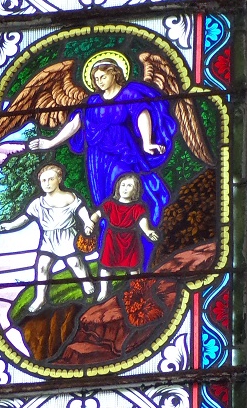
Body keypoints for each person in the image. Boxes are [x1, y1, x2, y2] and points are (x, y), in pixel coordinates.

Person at [27, 54, 177, 262]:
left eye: (103, 76)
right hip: (98, 159)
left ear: (115, 74)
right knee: (105, 200)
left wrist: (147, 142)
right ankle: (110, 251)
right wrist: (51, 143)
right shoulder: (93, 101)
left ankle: (139, 247)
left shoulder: (129, 94)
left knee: (125, 193)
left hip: (123, 154)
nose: (99, 81)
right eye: (96, 79)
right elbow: (75, 124)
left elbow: (142, 114)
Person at [0, 163, 95, 314]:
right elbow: (25, 218)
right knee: (42, 267)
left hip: (67, 236)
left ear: (59, 179)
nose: (47, 183)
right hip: (48, 239)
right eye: (43, 180)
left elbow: (81, 210)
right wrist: (10, 225)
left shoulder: (69, 197)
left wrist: (87, 222)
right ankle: (40, 298)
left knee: (75, 263)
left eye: (50, 179)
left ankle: (87, 284)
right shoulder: (38, 203)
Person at [90, 173, 159, 301]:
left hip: (130, 239)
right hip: (112, 239)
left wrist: (148, 231)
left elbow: (142, 222)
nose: (125, 188)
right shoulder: (110, 204)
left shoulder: (138, 207)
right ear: (118, 187)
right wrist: (91, 223)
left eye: (129, 186)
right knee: (106, 265)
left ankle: (137, 290)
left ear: (135, 189)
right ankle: (103, 291)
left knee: (134, 267)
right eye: (123, 185)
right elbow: (97, 215)